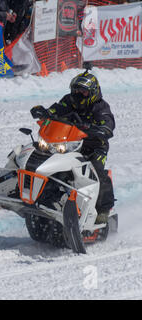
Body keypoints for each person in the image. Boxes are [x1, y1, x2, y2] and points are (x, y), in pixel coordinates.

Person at [30, 70, 115, 224]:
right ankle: (31, 193)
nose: (78, 94)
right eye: (75, 91)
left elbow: (108, 125)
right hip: (69, 142)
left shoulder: (100, 107)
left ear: (92, 92)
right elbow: (55, 110)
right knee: (40, 155)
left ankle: (103, 210)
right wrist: (44, 112)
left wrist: (95, 128)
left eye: (83, 91)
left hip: (94, 146)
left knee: (97, 171)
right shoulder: (69, 100)